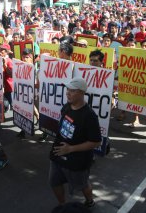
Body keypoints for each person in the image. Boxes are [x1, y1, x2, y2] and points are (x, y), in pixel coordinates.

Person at [49, 78, 101, 208]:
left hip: (77, 160)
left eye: (72, 90)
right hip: (57, 154)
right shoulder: (67, 106)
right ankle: (62, 206)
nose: (67, 93)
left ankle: (89, 202)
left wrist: (71, 148)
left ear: (82, 92)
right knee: (54, 181)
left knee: (82, 184)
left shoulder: (89, 116)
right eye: (67, 90)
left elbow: (96, 142)